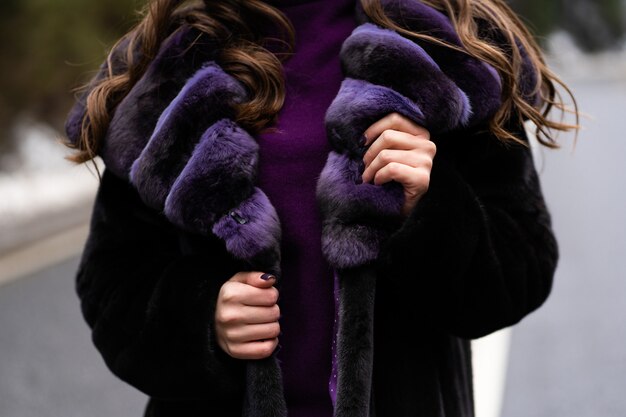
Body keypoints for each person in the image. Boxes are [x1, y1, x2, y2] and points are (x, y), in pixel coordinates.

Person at [64, 0, 577, 416]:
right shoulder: (172, 68)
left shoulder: (446, 44)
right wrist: (203, 317)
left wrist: (432, 202)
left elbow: (521, 270)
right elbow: (111, 285)